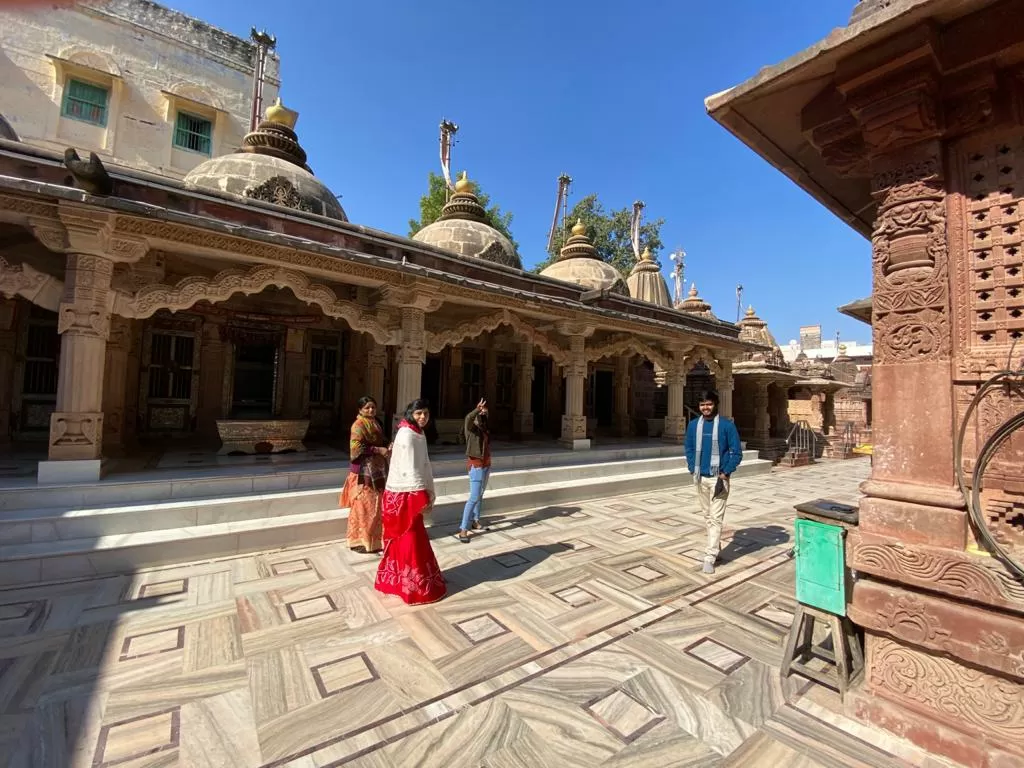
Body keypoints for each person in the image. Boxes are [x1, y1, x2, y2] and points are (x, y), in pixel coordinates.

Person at [374, 399, 447, 604]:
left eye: (426, 413)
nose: (422, 417)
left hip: (408, 492)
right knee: (410, 538)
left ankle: (404, 581)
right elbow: (408, 467)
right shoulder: (407, 434)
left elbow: (422, 463)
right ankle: (412, 586)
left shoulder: (417, 432)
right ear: (410, 414)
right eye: (418, 414)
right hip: (405, 493)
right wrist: (419, 493)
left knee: (412, 537)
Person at [685, 390, 743, 575]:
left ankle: (709, 556)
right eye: (702, 404)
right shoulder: (694, 425)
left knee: (716, 518)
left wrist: (725, 472)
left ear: (715, 404)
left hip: (719, 478)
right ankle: (716, 548)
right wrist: (691, 465)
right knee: (708, 516)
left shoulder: (726, 426)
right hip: (700, 477)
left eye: (709, 404)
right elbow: (689, 448)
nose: (706, 407)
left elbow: (736, 452)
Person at [339, 396, 388, 554]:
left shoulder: (377, 423)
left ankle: (374, 541)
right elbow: (356, 448)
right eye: (367, 408)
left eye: (373, 407)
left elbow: (382, 440)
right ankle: (359, 541)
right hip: (362, 472)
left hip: (377, 470)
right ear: (360, 410)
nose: (371, 410)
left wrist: (388, 445)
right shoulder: (358, 425)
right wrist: (377, 450)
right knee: (362, 507)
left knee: (376, 506)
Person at [455, 398, 490, 543]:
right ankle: (463, 529)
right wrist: (477, 409)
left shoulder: (484, 428)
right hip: (476, 464)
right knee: (474, 497)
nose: (483, 413)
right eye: (481, 412)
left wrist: (484, 414)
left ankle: (476, 521)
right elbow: (468, 418)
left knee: (480, 494)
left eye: (485, 411)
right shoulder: (470, 429)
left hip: (486, 463)